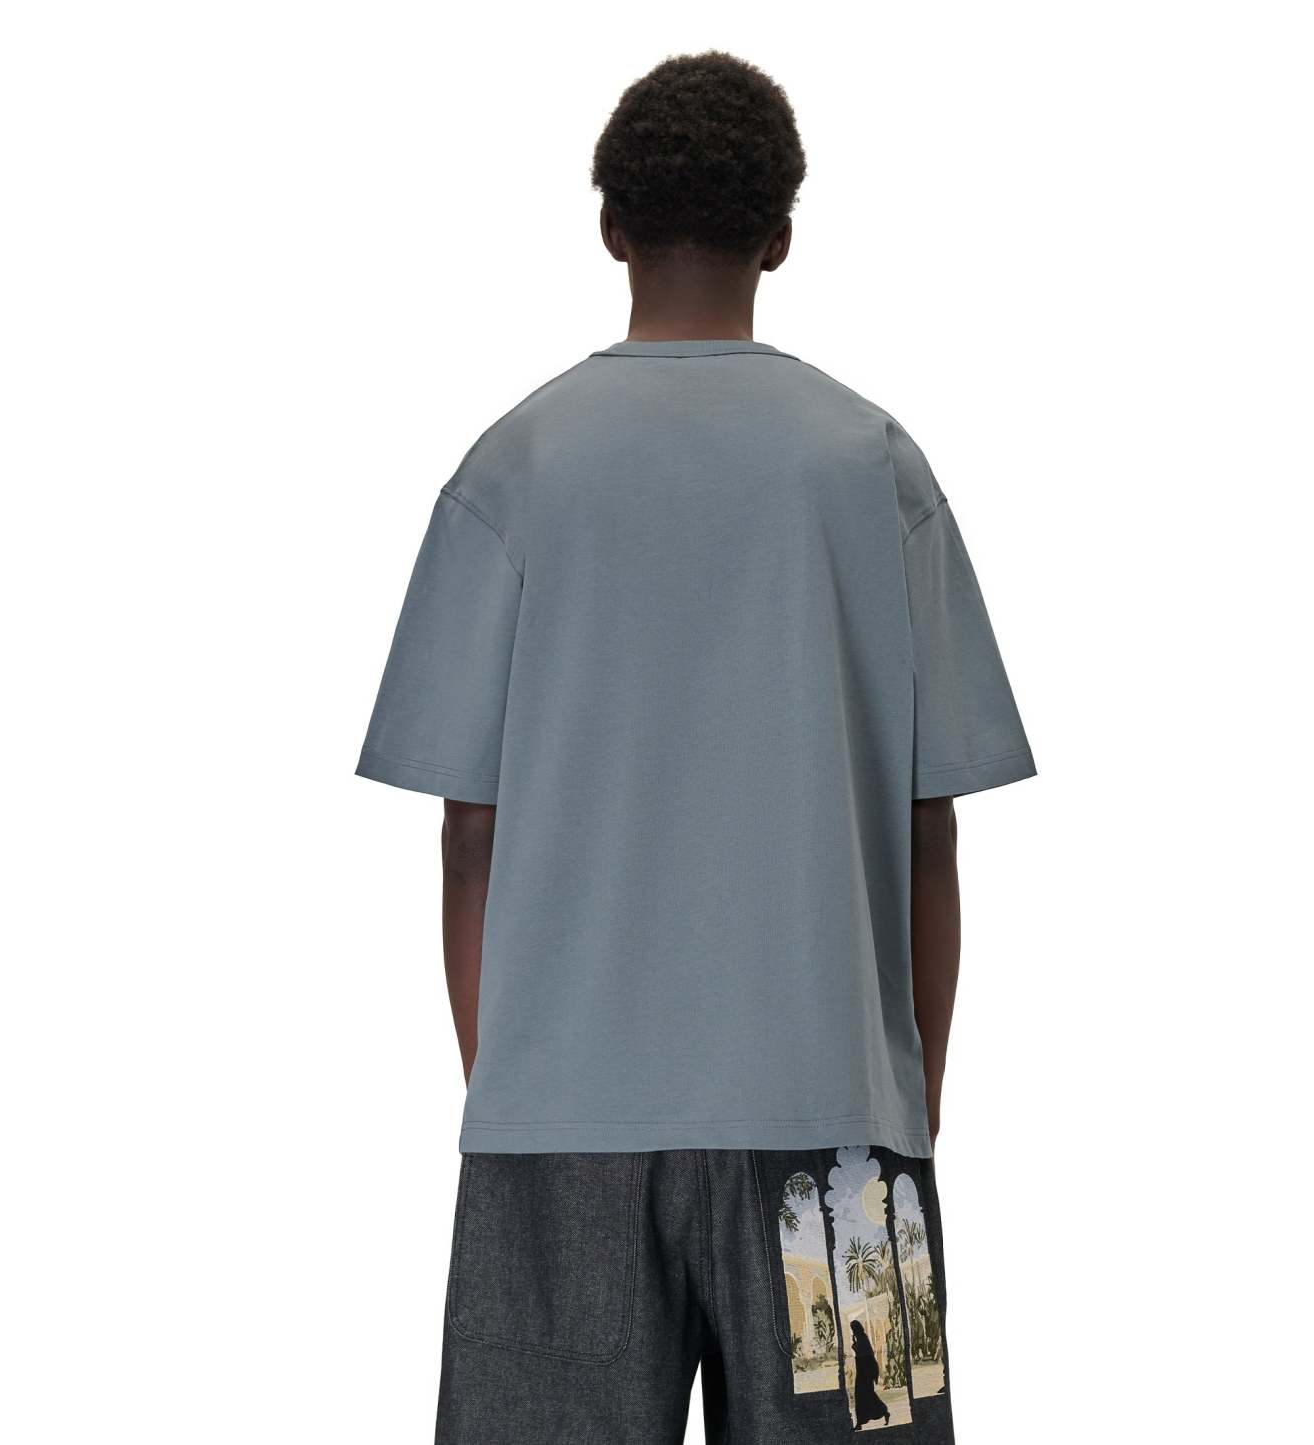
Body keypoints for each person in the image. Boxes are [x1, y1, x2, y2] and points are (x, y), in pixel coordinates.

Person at [357, 50, 1033, 1444]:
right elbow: (931, 829)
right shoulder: (872, 464)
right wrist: (906, 1105)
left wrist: (513, 1078)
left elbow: (469, 833)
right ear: (780, 235)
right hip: (841, 1137)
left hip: (558, 1122)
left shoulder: (515, 465)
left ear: (608, 224)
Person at [850, 1321, 893, 1430]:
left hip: (865, 1373)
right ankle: (861, 1421)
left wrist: (854, 1345)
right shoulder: (861, 1338)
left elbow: (867, 1357)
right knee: (864, 1396)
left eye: (853, 1329)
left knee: (865, 1396)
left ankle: (879, 1413)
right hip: (862, 1372)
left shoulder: (863, 1339)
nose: (853, 1331)